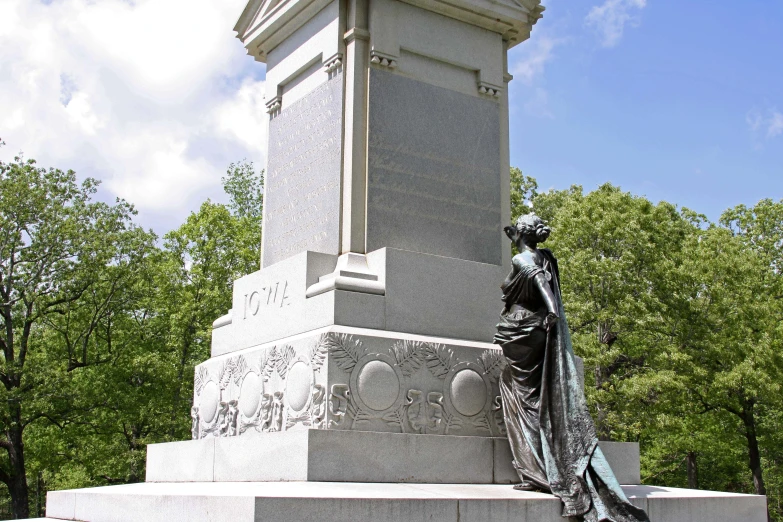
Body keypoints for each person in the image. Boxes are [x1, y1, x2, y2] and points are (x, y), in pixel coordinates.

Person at [494, 213, 649, 522]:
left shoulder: (523, 260)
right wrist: (550, 315)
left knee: (525, 401)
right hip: (533, 331)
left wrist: (552, 311)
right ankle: (539, 467)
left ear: (521, 236)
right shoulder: (544, 256)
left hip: (524, 329)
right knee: (531, 398)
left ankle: (538, 470)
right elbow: (541, 277)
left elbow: (540, 284)